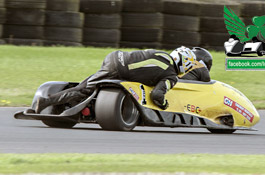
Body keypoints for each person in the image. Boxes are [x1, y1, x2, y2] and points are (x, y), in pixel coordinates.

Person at [35, 46, 201, 114]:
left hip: (115, 56)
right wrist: (164, 105)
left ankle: (62, 100)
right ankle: (44, 102)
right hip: (119, 69)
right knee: (86, 90)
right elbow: (157, 95)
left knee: (86, 85)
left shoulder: (162, 54)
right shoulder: (171, 76)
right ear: (184, 63)